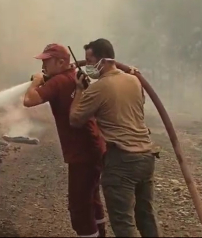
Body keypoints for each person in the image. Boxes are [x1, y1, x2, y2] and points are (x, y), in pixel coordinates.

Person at [69, 38, 161, 237]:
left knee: (123, 223)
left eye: (89, 60)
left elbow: (75, 119)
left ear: (102, 60)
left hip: (122, 161)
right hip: (146, 156)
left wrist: (79, 90)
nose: (88, 65)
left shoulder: (99, 88)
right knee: (146, 217)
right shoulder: (134, 80)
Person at [24, 43, 107, 237]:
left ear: (61, 62)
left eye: (47, 61)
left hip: (81, 153)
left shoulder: (59, 81)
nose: (43, 66)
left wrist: (35, 82)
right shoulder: (73, 76)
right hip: (95, 146)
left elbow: (29, 100)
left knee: (79, 207)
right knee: (92, 199)